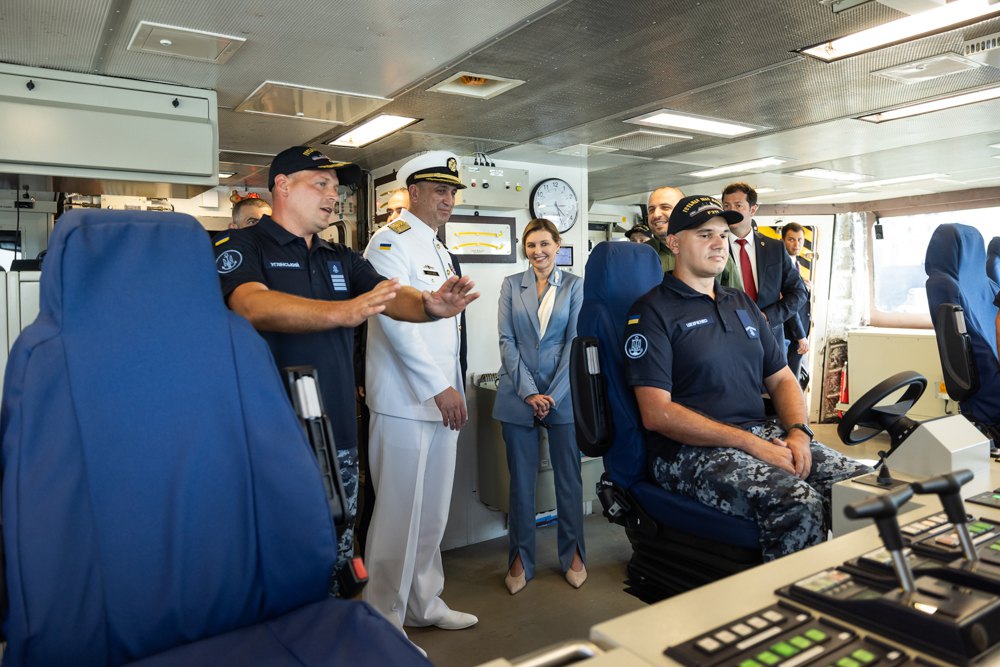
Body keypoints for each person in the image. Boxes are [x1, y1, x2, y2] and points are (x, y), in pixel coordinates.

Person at [214, 146, 477, 595]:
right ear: (282, 185)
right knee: (278, 550)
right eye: (321, 184)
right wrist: (341, 312)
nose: (333, 196)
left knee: (338, 551)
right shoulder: (241, 245)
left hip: (337, 431)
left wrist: (431, 306)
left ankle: (343, 637)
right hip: (271, 433)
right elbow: (250, 303)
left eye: (336, 188)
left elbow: (392, 295)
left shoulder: (340, 257)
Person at [624, 195, 871, 561]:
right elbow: (657, 413)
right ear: (674, 243)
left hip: (759, 433)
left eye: (723, 234)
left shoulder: (741, 302)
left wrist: (798, 433)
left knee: (865, 487)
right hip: (686, 453)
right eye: (704, 234)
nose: (718, 243)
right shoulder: (652, 312)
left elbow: (783, 378)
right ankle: (795, 611)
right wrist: (751, 445)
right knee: (797, 501)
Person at [362, 151, 478, 634]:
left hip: (440, 403)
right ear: (414, 194)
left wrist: (450, 387)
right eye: (439, 191)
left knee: (431, 515)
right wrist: (439, 388)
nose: (448, 199)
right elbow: (397, 324)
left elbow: (445, 333)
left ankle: (424, 603)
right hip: (405, 404)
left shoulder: (437, 249)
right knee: (396, 519)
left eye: (452, 192)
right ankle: (382, 619)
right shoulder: (390, 242)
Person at [493, 218, 586, 596]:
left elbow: (575, 343)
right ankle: (519, 559)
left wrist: (553, 396)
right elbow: (506, 340)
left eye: (545, 244)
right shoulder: (511, 285)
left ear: (557, 245)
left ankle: (575, 555)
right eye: (531, 245)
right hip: (518, 396)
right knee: (521, 487)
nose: (538, 252)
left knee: (569, 481)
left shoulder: (576, 286)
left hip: (562, 397)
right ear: (525, 248)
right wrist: (531, 392)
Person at [722, 182, 807, 355]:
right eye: (726, 206)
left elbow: (799, 293)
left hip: (770, 339)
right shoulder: (715, 248)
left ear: (753, 209)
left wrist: (767, 317)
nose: (731, 211)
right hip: (728, 339)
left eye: (738, 206)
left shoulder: (774, 248)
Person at [646, 186, 742, 288]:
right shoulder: (639, 256)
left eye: (665, 207)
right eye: (651, 210)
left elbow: (735, 299)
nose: (656, 214)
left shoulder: (718, 254)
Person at [781, 222, 812, 384]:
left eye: (800, 240)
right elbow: (789, 304)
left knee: (798, 379)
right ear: (783, 240)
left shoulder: (796, 265)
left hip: (799, 332)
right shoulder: (782, 266)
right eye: (791, 239)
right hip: (790, 333)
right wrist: (800, 335)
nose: (797, 244)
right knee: (790, 382)